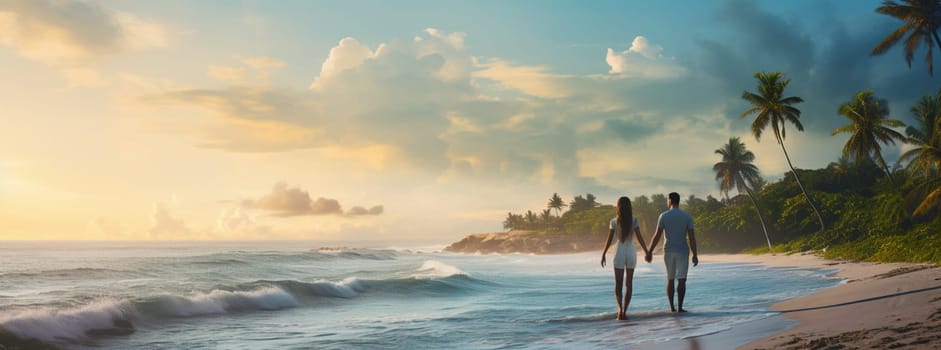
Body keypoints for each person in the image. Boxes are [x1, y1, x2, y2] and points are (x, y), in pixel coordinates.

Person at [647, 192, 698, 313]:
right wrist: (695, 254)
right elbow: (692, 237)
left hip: (668, 251)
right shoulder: (687, 216)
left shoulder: (663, 216)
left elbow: (657, 236)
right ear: (678, 201)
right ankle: (680, 307)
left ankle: (672, 308)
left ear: (670, 201)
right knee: (682, 280)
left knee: (670, 279)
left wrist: (649, 251)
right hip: (682, 251)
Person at [601, 196, 649, 321]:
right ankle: (625, 311)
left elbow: (609, 239)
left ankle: (619, 309)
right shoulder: (634, 220)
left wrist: (604, 253)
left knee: (618, 283)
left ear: (618, 206)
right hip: (631, 250)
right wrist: (646, 251)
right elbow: (640, 238)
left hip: (619, 250)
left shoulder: (614, 221)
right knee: (629, 283)